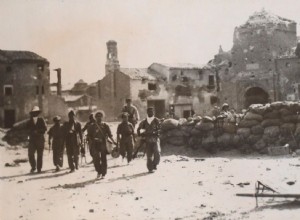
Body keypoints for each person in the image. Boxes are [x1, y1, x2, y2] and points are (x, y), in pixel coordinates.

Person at [87, 110, 116, 179]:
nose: (99, 118)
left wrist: (114, 141)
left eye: (100, 116)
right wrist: (92, 142)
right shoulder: (92, 126)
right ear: (95, 118)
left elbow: (110, 135)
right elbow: (89, 136)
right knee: (96, 159)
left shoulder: (105, 125)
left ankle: (103, 173)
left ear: (102, 117)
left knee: (103, 159)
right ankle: (99, 171)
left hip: (103, 143)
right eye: (97, 116)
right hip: (95, 144)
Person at [137, 107, 161, 173]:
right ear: (147, 112)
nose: (150, 112)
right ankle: (150, 168)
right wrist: (141, 135)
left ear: (154, 112)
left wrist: (156, 132)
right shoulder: (144, 121)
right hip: (148, 140)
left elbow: (160, 128)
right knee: (149, 155)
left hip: (155, 139)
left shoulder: (156, 120)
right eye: (149, 111)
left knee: (157, 152)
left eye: (152, 111)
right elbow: (138, 129)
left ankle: (155, 164)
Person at [26, 106, 47, 173]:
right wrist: (29, 135)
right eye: (33, 113)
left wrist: (38, 131)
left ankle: (39, 168)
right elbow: (27, 130)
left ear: (38, 113)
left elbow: (45, 129)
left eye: (36, 112)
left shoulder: (41, 120)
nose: (34, 114)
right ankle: (33, 166)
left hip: (40, 140)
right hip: (32, 140)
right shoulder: (29, 121)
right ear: (32, 113)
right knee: (30, 154)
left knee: (40, 155)